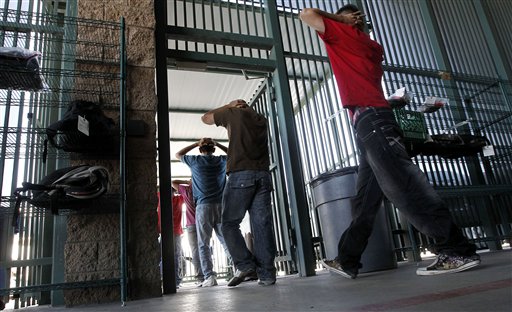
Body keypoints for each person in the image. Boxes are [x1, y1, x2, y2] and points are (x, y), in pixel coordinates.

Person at [299, 4, 480, 278]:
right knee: (366, 198)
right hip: (370, 121)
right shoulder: (372, 46)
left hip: (371, 120)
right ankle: (348, 259)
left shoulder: (342, 34)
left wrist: (340, 19)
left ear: (350, 20)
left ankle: (457, 250)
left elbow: (306, 13)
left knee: (404, 185)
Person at [202, 99, 277, 287]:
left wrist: (228, 105)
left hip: (241, 175)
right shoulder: (261, 119)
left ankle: (245, 264)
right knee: (262, 225)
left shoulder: (233, 113)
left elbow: (205, 118)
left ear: (237, 106)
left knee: (227, 223)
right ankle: (267, 274)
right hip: (263, 175)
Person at [176, 138, 231, 287]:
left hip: (203, 206)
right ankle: (240, 269)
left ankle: (209, 277)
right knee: (226, 240)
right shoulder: (221, 161)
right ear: (213, 150)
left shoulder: (194, 161)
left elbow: (178, 154)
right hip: (221, 205)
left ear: (201, 150)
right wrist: (217, 143)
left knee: (203, 244)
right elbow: (233, 152)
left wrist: (196, 143)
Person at [172, 179, 205, 286]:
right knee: (205, 247)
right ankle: (208, 275)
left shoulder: (186, 190)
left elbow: (173, 182)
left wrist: (187, 181)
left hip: (191, 224)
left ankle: (200, 277)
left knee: (195, 251)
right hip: (203, 222)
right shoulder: (201, 189)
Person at [157, 187, 184, 288]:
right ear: (174, 192)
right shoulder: (179, 199)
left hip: (164, 232)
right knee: (176, 256)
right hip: (176, 232)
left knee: (163, 255)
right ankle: (176, 280)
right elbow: (184, 192)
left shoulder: (160, 197)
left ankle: (164, 279)